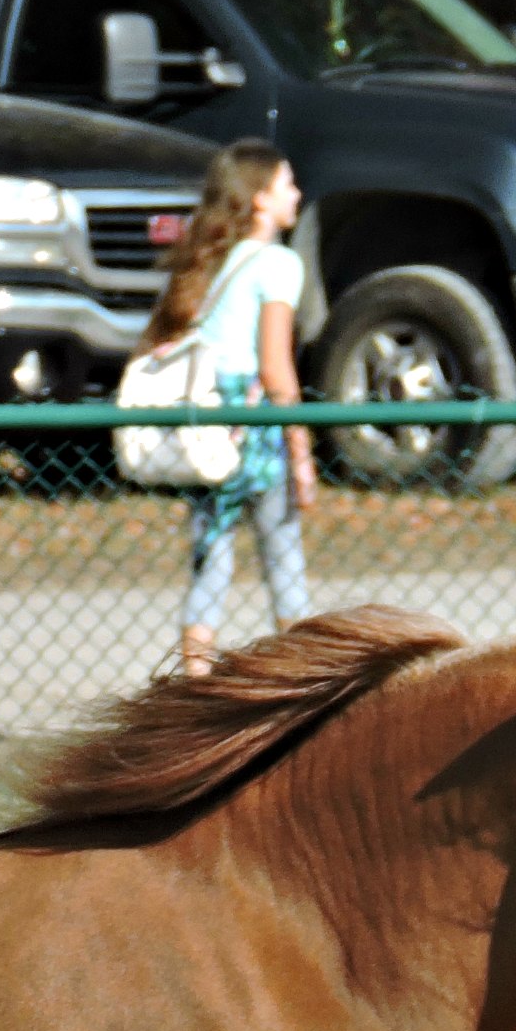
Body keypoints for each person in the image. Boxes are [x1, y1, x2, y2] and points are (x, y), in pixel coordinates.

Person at [149, 141, 314, 678]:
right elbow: (275, 365)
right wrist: (302, 452)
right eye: (287, 184)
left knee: (211, 557)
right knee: (282, 552)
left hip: (206, 423)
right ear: (260, 199)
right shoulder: (278, 263)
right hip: (256, 423)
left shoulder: (204, 259)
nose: (298, 194)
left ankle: (195, 681)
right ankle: (299, 683)